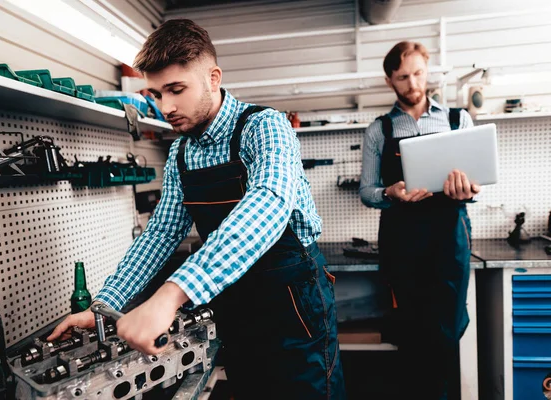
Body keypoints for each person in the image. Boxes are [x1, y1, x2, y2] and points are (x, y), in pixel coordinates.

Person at [48, 18, 346, 400]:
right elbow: (162, 233)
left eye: (176, 89)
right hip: (235, 303)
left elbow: (268, 203)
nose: (166, 107)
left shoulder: (265, 127)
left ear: (213, 78)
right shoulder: (181, 153)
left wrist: (173, 293)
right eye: (156, 94)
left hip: (293, 304)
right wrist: (106, 306)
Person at [359, 41, 480, 400]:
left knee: (446, 332)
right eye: (402, 77)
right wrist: (390, 194)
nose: (412, 84)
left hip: (450, 243)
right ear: (389, 81)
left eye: (418, 74)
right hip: (402, 245)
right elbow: (367, 191)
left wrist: (467, 190)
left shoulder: (458, 120)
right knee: (410, 334)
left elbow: (477, 183)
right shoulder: (379, 130)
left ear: (426, 71)